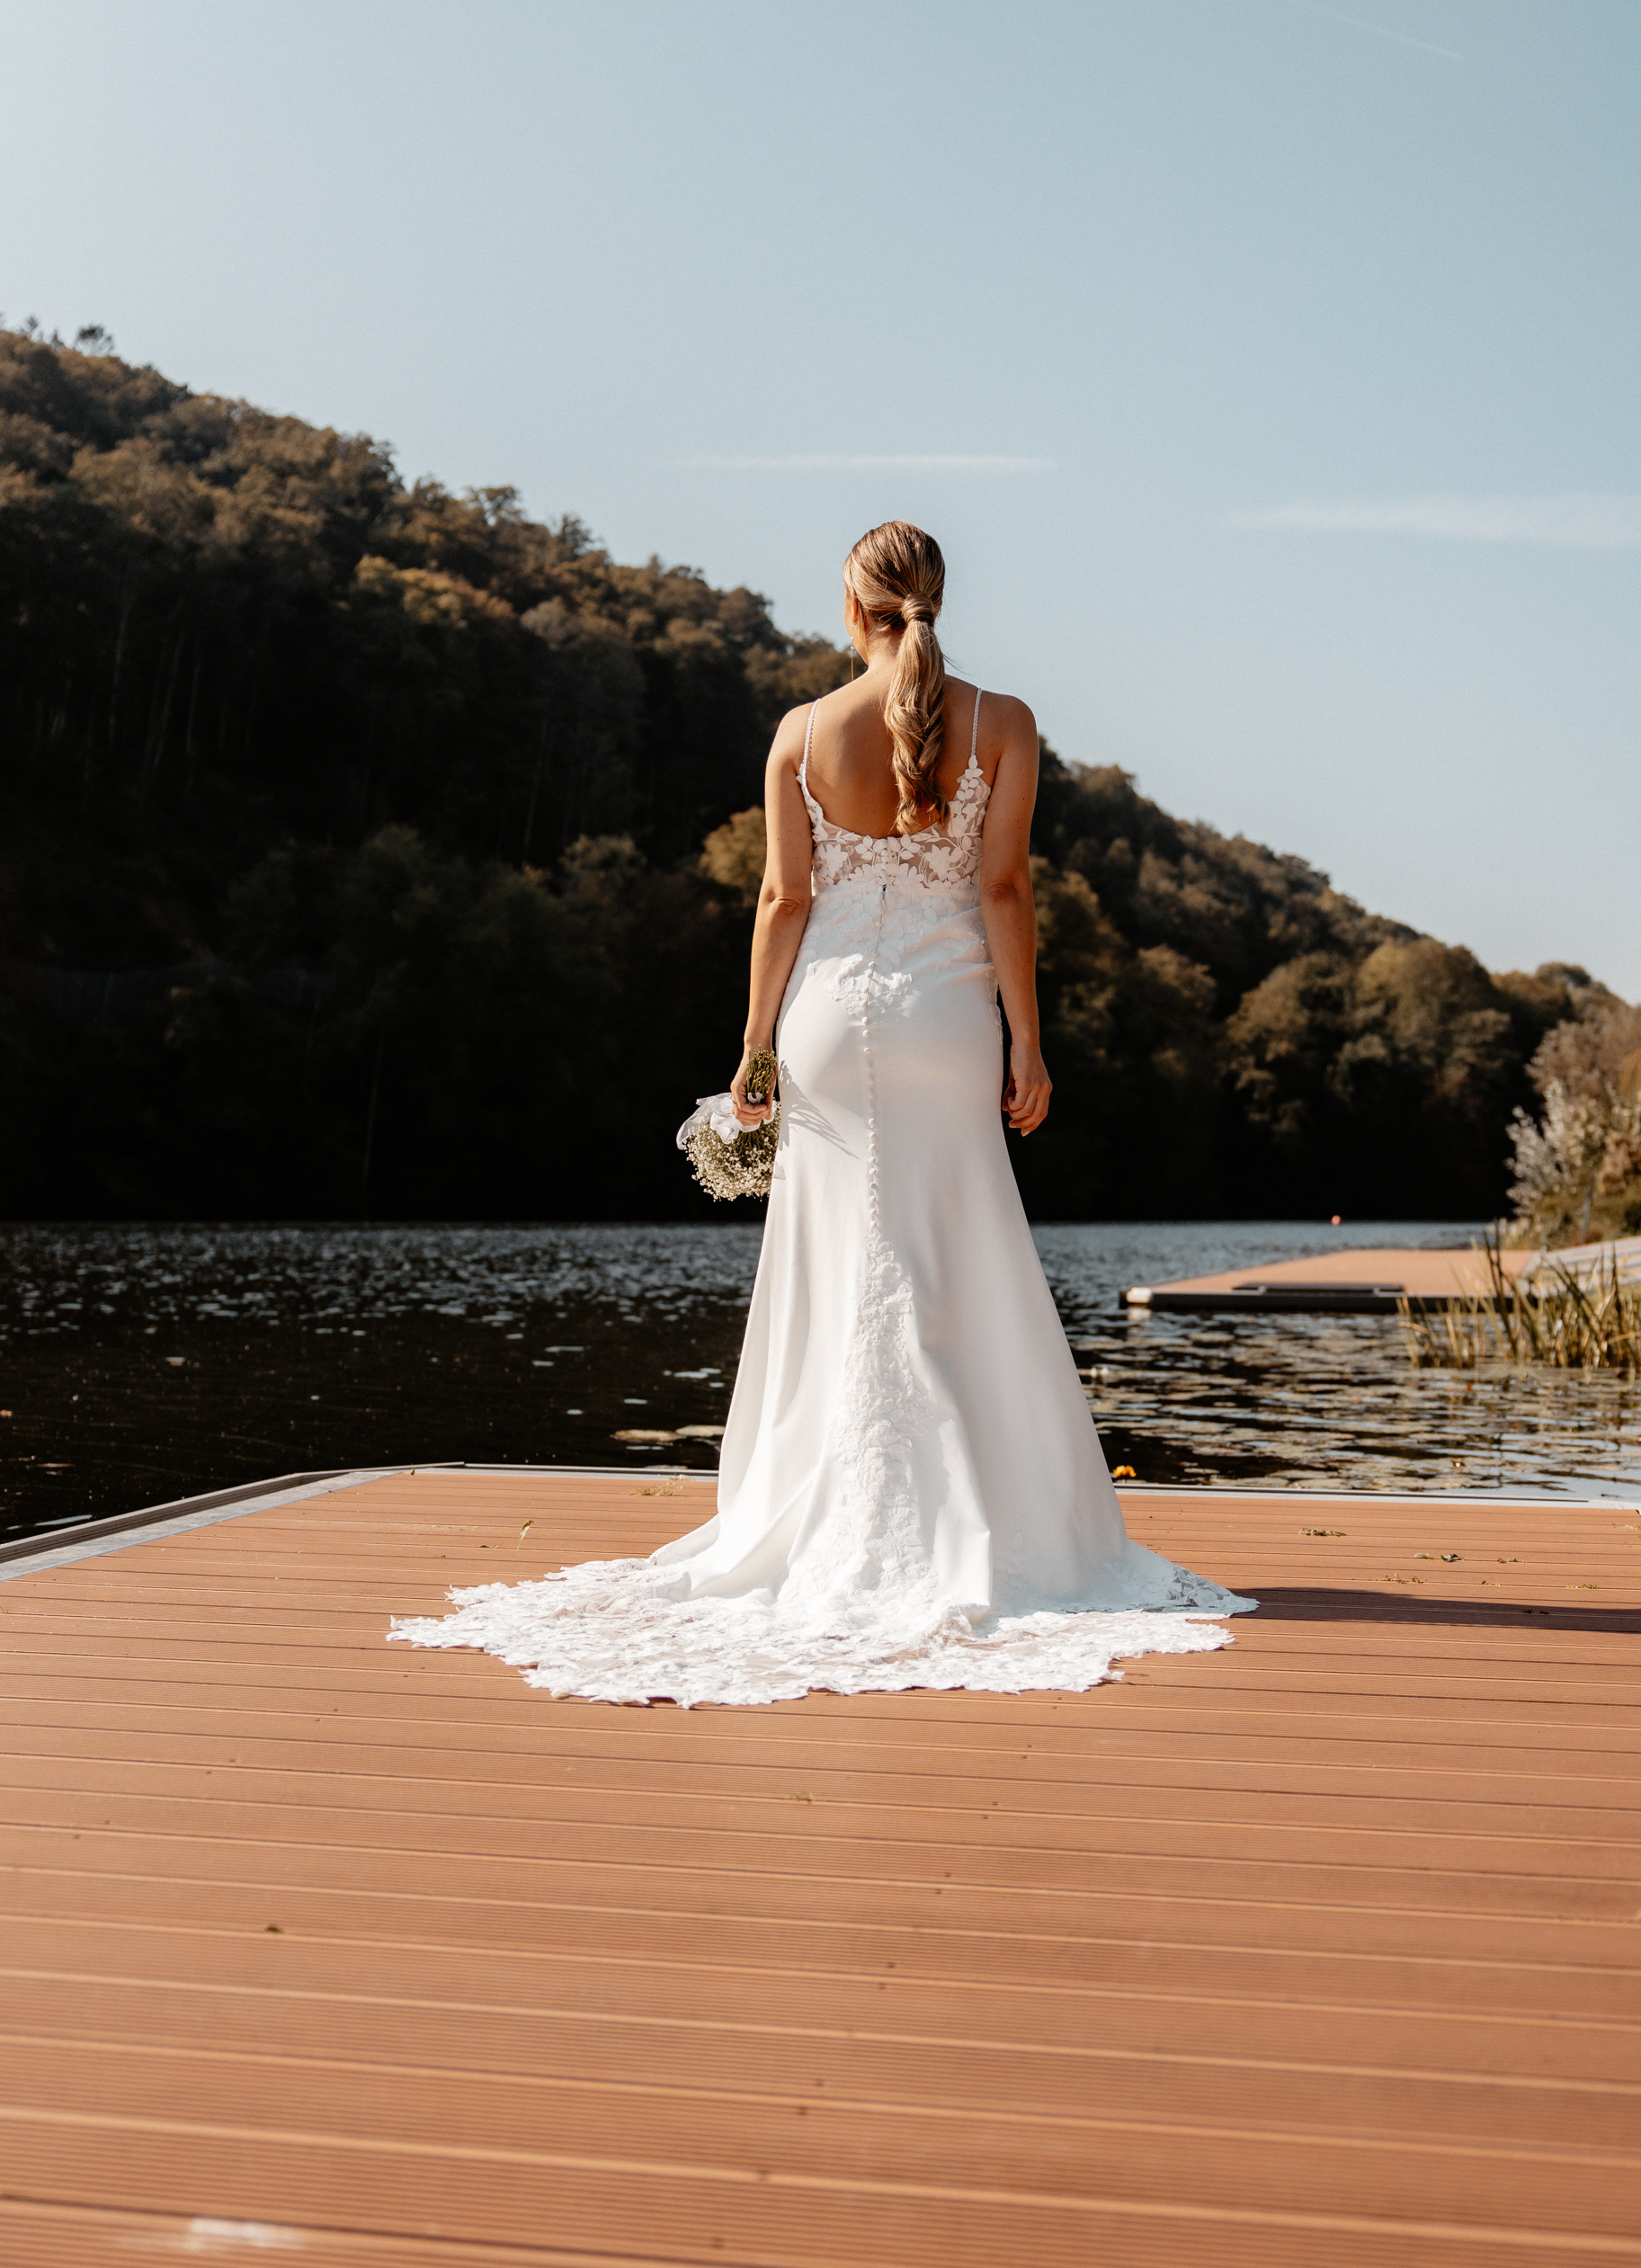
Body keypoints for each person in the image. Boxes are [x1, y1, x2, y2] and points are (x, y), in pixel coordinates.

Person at [394, 522, 1253, 1703]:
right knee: (949, 1256)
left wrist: (751, 1048)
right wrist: (1027, 1038)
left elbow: (781, 897)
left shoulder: (798, 733)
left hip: (826, 1026)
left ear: (849, 611)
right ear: (938, 603)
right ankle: (979, 1526)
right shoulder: (1004, 722)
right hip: (946, 1022)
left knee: (836, 1267)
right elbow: (1001, 885)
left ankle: (815, 1521)